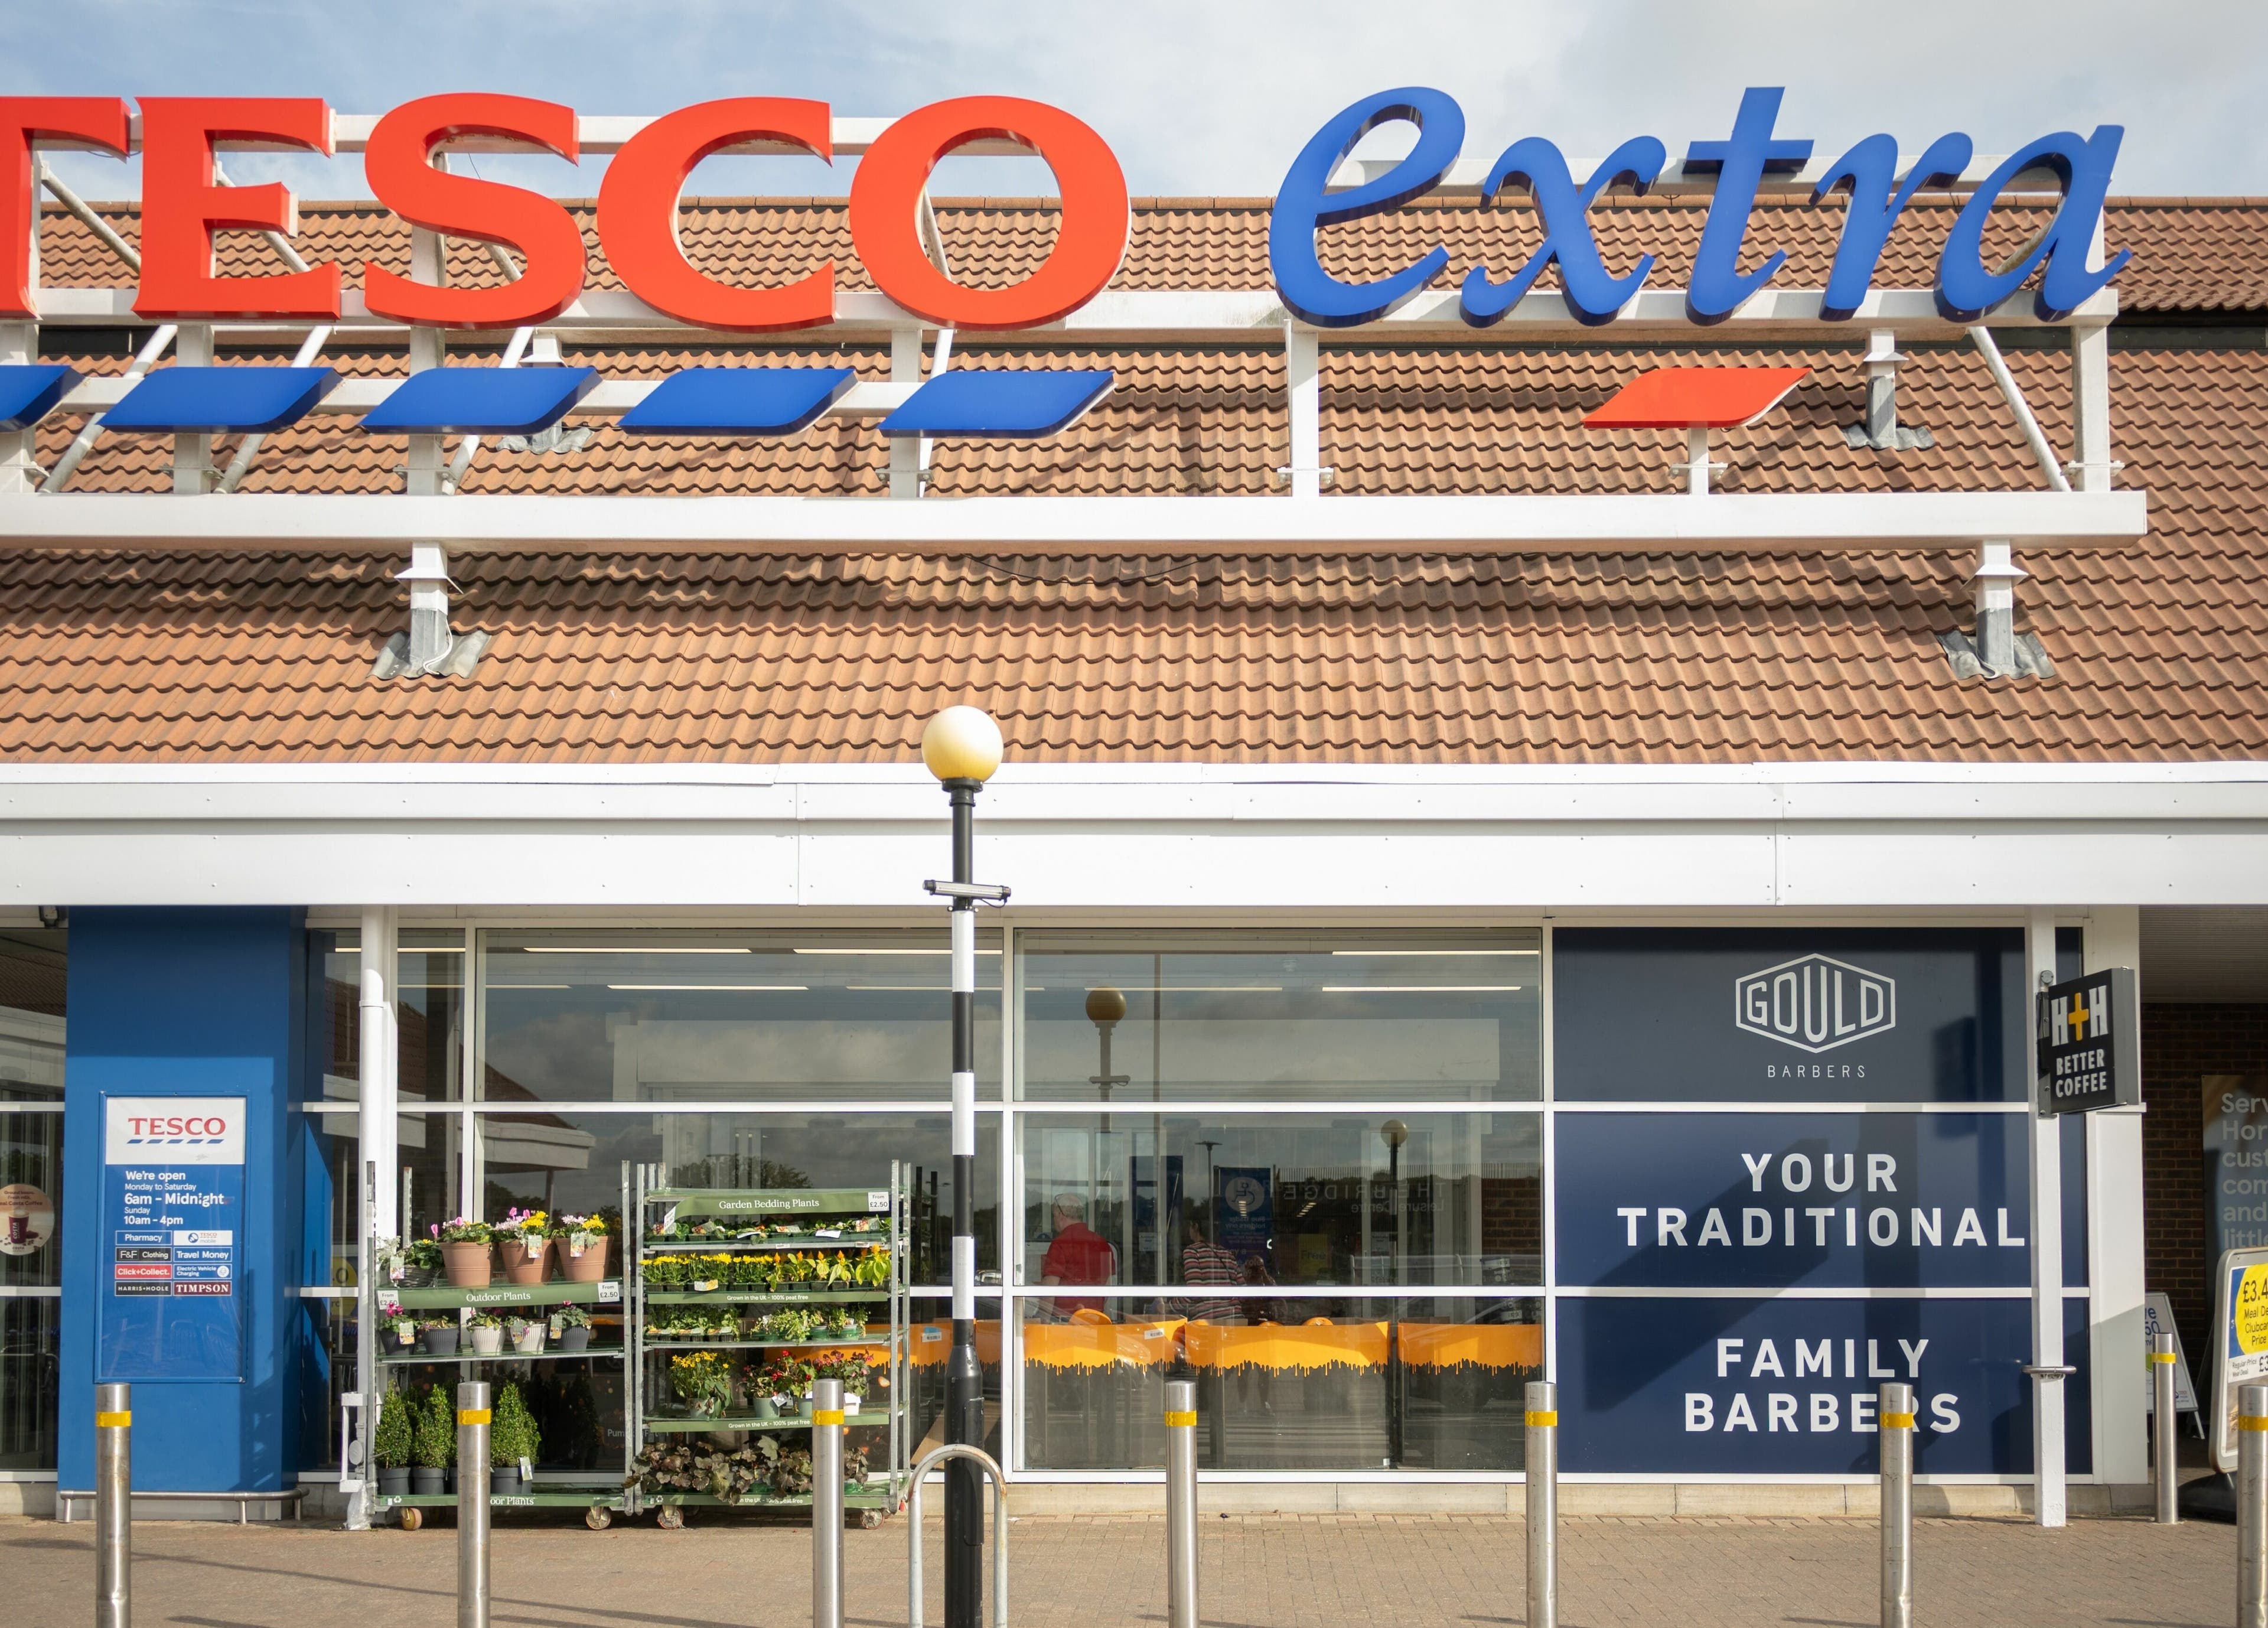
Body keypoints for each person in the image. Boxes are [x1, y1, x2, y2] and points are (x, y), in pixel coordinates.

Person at [1040, 1193, 1116, 1318]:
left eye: (1054, 1216)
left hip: (1065, 1322)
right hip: (1096, 1320)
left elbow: (1049, 1291)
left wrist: (1042, 1320)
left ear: (1060, 1215)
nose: (1054, 1221)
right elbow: (1108, 1287)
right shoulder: (1103, 1243)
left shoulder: (1060, 1244)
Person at [1172, 1217, 1243, 1324]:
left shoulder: (1192, 1251)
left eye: (1190, 1226)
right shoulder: (1228, 1253)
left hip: (1209, 1322)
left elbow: (1195, 1292)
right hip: (1236, 1319)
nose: (1189, 1230)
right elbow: (1243, 1292)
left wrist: (1169, 1306)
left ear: (1195, 1227)